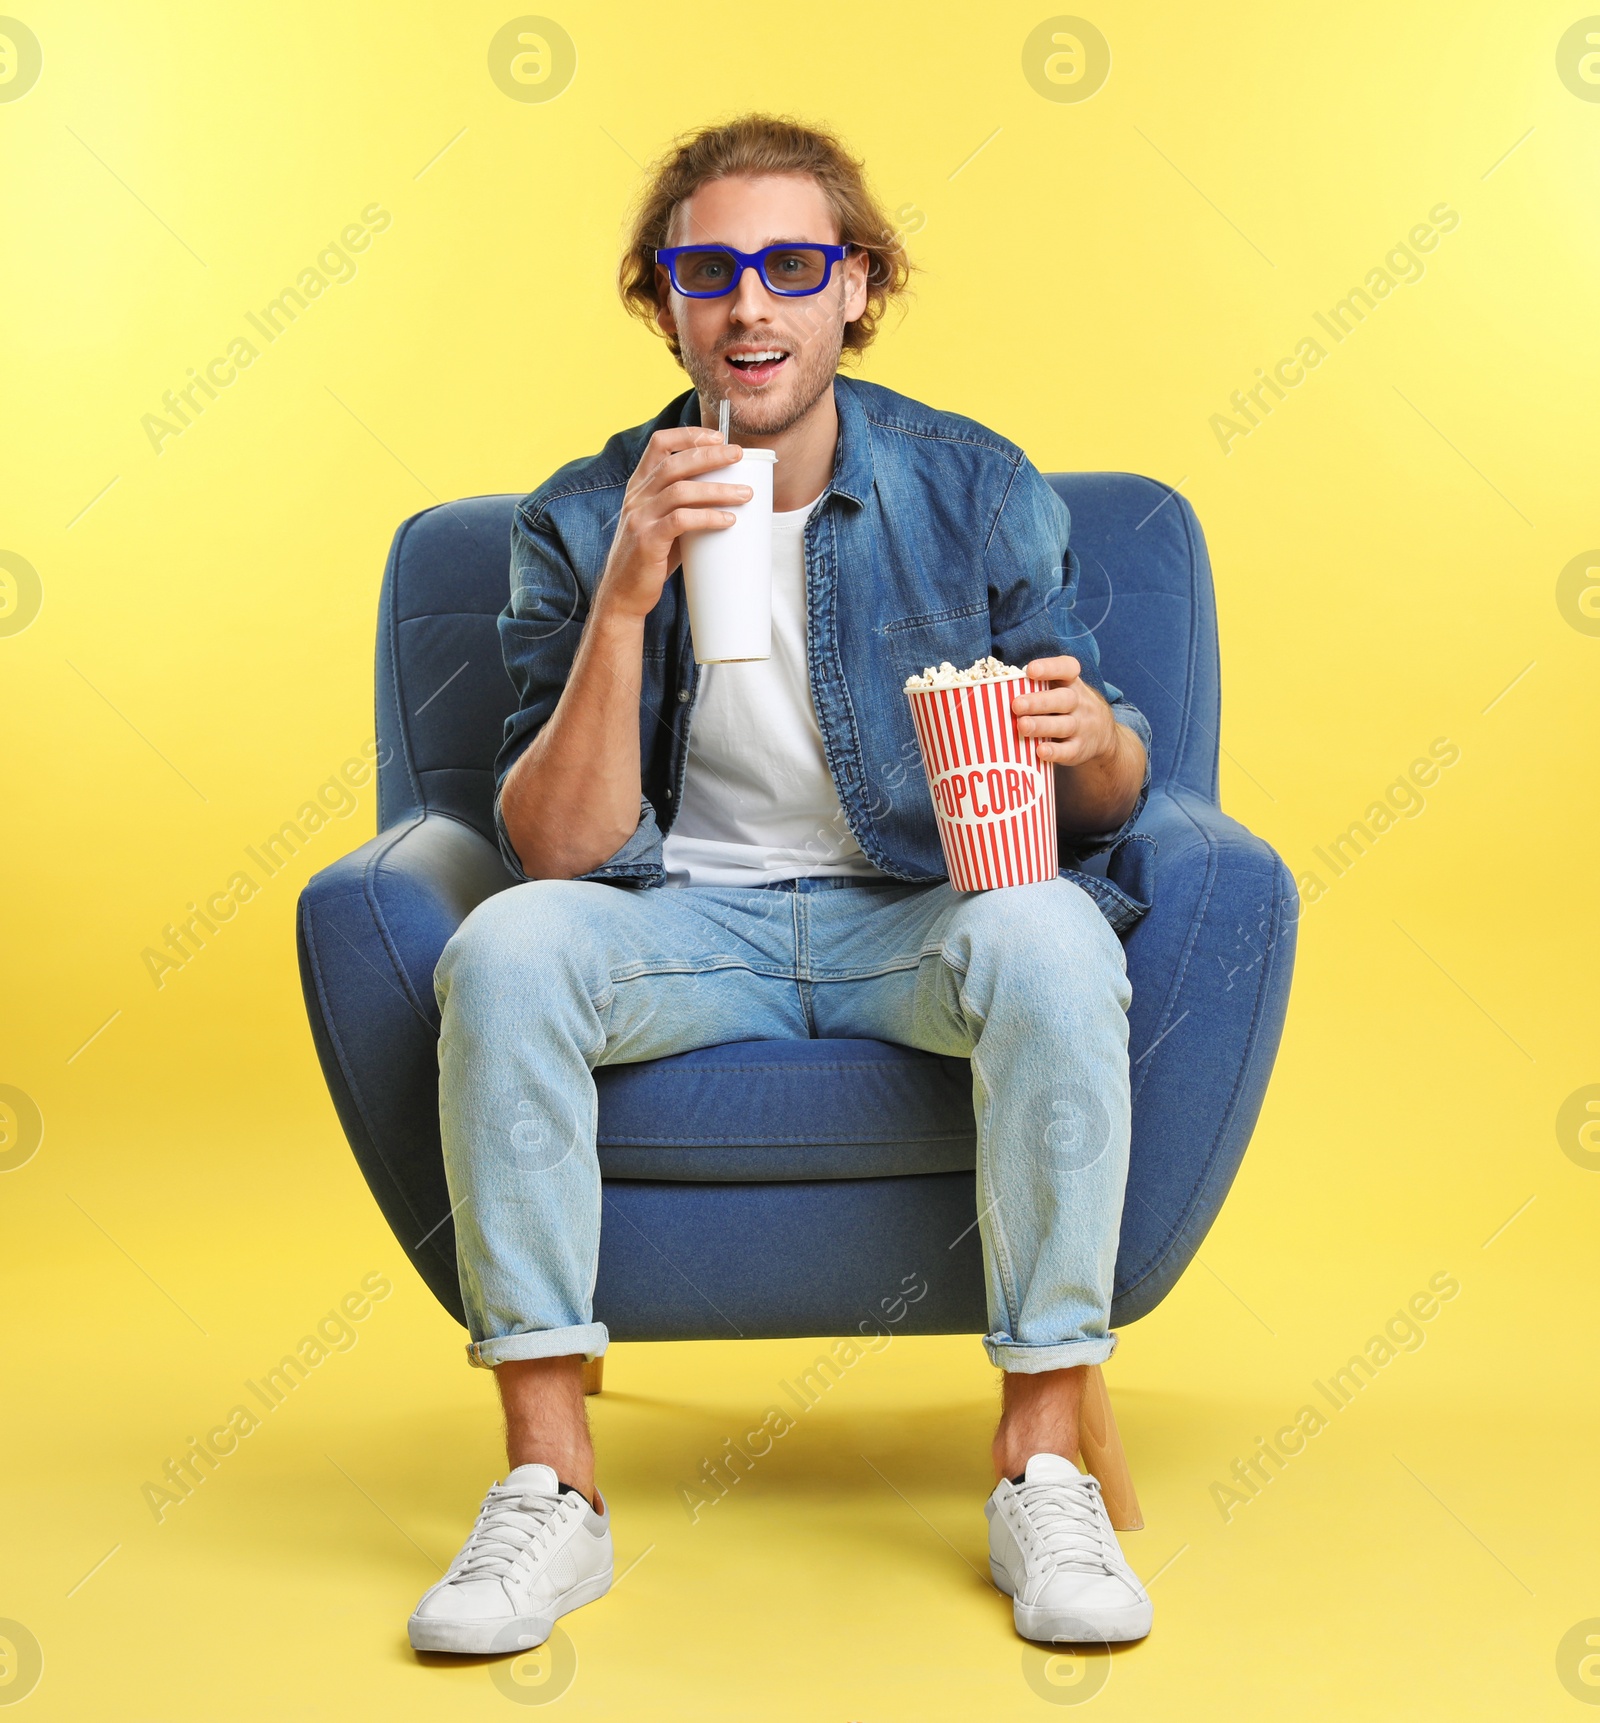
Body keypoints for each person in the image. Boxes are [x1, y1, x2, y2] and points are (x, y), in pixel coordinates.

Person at [406, 113, 1156, 1657]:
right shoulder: (578, 513)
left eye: (792, 265)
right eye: (709, 270)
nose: (751, 306)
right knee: (504, 951)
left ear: (856, 291)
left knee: (1058, 941)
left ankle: (1045, 1463)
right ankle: (552, 1489)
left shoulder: (975, 485)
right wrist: (625, 595)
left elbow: (1115, 784)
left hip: (916, 915)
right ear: (663, 303)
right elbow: (553, 847)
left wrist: (1092, 742)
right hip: (683, 925)